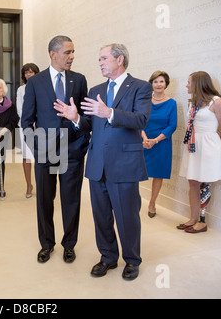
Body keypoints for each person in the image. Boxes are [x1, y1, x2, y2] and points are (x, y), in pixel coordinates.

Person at [54, 43, 152, 280]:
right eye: (99, 59)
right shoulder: (96, 89)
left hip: (124, 163)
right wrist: (76, 117)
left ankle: (132, 260)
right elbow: (90, 125)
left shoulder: (140, 87)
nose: (99, 63)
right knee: (101, 216)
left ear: (120, 60)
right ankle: (108, 256)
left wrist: (110, 113)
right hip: (98, 163)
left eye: (104, 58)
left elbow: (141, 120)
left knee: (127, 215)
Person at [22, 35, 89, 264]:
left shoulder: (79, 80)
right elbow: (26, 121)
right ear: (53, 54)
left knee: (71, 200)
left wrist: (82, 143)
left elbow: (85, 117)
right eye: (67, 52)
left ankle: (69, 245)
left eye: (73, 52)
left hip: (72, 151)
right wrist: (37, 148)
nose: (72, 57)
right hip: (45, 151)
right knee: (44, 200)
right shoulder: (35, 82)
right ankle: (46, 244)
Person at [178, 71, 221, 233]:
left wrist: (215, 148)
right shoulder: (193, 102)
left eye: (189, 82)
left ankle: (202, 222)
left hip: (208, 147)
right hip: (193, 146)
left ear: (199, 83)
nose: (187, 85)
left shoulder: (217, 102)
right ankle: (193, 218)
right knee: (193, 182)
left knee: (204, 184)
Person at [141, 71, 178, 218]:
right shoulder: (144, 102)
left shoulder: (172, 103)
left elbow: (172, 126)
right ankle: (132, 201)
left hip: (161, 143)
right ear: (151, 84)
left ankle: (152, 203)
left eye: (161, 81)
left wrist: (155, 140)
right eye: (155, 81)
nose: (158, 84)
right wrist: (145, 139)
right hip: (144, 142)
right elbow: (139, 122)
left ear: (166, 84)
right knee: (136, 172)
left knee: (158, 175)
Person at [16, 63, 39, 198]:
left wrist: (37, 123)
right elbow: (20, 109)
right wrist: (30, 123)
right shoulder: (21, 89)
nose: (28, 74)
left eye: (31, 72)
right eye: (26, 72)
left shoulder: (42, 87)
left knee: (40, 157)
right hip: (25, 127)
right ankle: (29, 185)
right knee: (26, 157)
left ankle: (41, 184)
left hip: (40, 126)